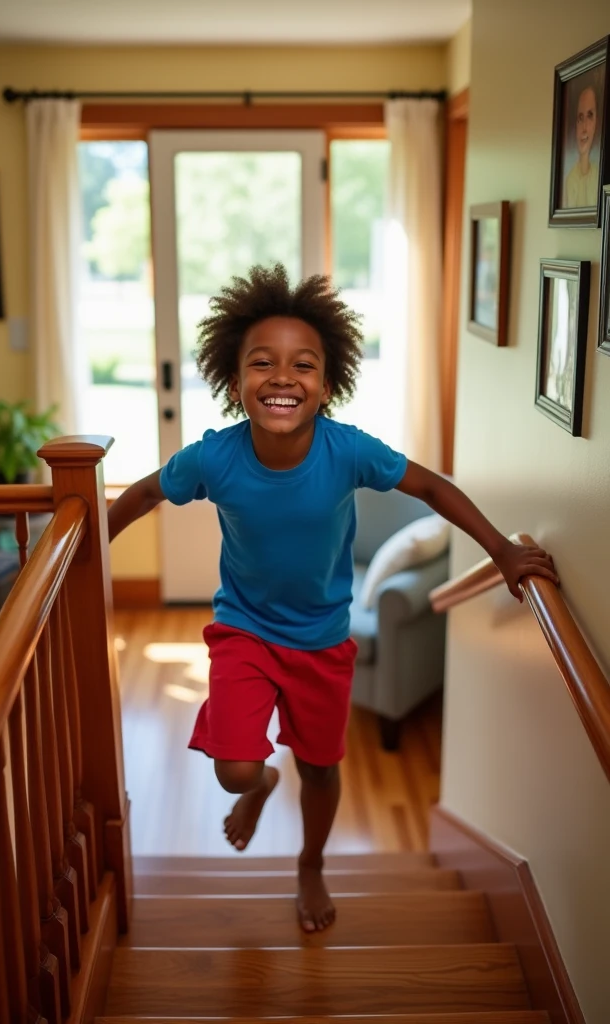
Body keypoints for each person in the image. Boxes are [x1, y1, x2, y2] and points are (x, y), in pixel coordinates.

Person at [107, 264, 558, 933]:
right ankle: (260, 788)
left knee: (319, 770)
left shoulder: (348, 451)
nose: (283, 376)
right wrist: (91, 549)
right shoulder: (213, 459)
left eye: (304, 365)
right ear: (235, 383)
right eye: (262, 363)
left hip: (322, 640)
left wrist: (501, 551)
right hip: (245, 631)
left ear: (327, 384)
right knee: (236, 770)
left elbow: (433, 489)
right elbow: (141, 494)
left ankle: (310, 865)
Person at [563, 83, 600, 209]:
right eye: (580, 118)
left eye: (590, 116)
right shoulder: (569, 181)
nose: (584, 128)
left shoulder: (599, 178)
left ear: (597, 122)